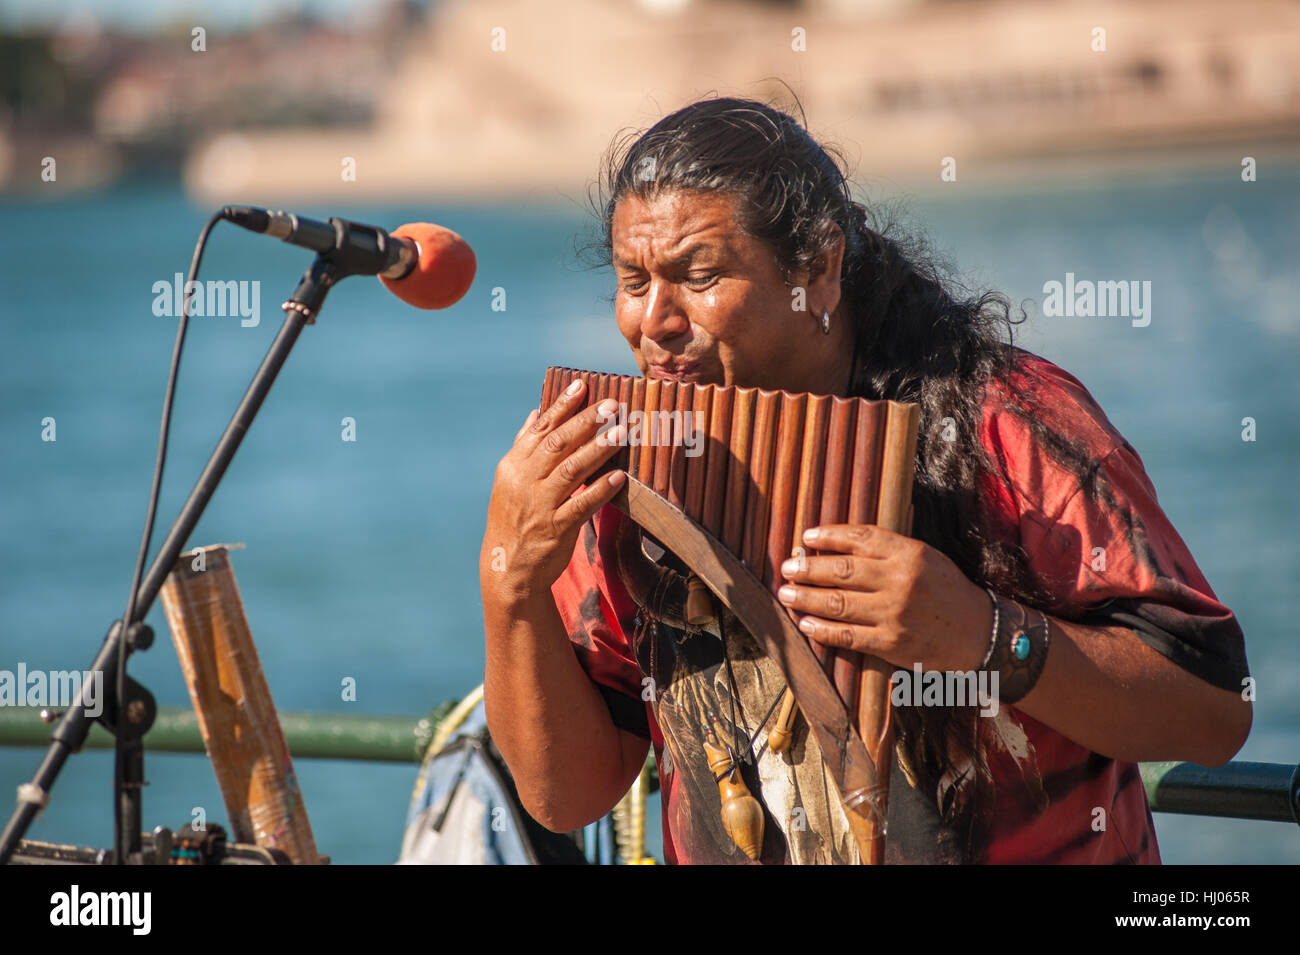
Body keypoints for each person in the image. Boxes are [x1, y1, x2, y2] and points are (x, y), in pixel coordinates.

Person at [478, 97, 1252, 864]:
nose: (653, 321)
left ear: (819, 269)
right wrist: (510, 583)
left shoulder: (1007, 424)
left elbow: (1214, 715)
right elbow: (568, 795)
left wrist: (983, 634)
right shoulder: (624, 464)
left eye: (699, 274)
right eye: (633, 280)